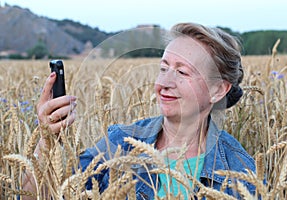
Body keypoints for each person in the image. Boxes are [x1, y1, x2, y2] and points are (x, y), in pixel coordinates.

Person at [23, 23, 256, 199]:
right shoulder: (119, 142)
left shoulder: (239, 170)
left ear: (218, 90)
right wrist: (47, 140)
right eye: (163, 68)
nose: (165, 82)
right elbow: (44, 194)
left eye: (182, 72)